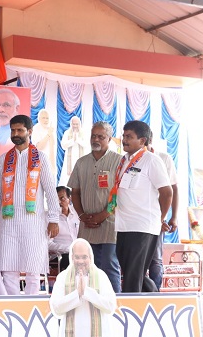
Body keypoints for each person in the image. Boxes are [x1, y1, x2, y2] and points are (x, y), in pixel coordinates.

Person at [0, 114, 60, 295]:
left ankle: (32, 307)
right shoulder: (4, 159)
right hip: (8, 223)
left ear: (29, 131)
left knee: (33, 271)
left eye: (20, 130)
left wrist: (54, 219)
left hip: (33, 223)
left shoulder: (40, 158)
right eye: (13, 130)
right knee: (9, 271)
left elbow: (51, 191)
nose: (16, 134)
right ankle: (12, 309)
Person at [112, 120, 172, 293]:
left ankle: (130, 313)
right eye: (124, 136)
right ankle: (151, 300)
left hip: (143, 226)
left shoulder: (151, 160)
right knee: (131, 272)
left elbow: (167, 192)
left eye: (129, 137)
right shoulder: (124, 161)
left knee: (132, 275)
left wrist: (159, 219)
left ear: (143, 141)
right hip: (124, 226)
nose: (124, 140)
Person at [68, 121, 123, 293]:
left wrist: (102, 215)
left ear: (109, 139)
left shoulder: (119, 162)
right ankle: (90, 305)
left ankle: (115, 306)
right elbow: (75, 192)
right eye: (93, 136)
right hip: (87, 226)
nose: (96, 139)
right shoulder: (81, 162)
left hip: (110, 224)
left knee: (109, 266)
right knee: (87, 268)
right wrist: (82, 215)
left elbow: (120, 194)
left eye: (101, 136)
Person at [147, 140, 179, 291]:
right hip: (135, 219)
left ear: (146, 140)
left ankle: (155, 294)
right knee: (135, 260)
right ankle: (136, 293)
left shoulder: (164, 158)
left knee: (156, 259)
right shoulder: (128, 160)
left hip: (158, 218)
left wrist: (172, 217)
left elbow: (172, 189)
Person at [50, 186, 79, 270]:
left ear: (69, 199)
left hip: (79, 253)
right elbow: (48, 244)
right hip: (60, 255)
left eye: (62, 198)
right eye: (56, 200)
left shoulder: (77, 214)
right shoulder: (49, 218)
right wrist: (68, 249)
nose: (59, 202)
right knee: (69, 259)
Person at [59, 116, 88, 186]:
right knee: (68, 179)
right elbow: (63, 145)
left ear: (79, 124)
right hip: (69, 160)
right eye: (73, 124)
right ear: (71, 124)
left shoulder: (83, 132)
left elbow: (86, 144)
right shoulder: (67, 133)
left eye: (76, 124)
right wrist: (72, 141)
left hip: (80, 158)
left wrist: (77, 139)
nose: (75, 126)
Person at [33, 110, 56, 175]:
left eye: (47, 118)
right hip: (41, 163)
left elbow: (53, 144)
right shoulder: (36, 129)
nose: (46, 120)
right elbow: (39, 147)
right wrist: (48, 134)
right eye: (43, 118)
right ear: (39, 118)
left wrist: (51, 133)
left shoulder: (50, 129)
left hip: (51, 163)